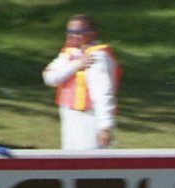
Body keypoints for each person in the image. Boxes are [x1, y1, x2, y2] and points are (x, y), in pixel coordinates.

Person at [42, 14, 121, 150]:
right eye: (70, 32)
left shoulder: (98, 56)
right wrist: (77, 64)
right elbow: (50, 77)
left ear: (92, 33)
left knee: (91, 162)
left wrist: (105, 127)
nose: (73, 36)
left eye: (79, 32)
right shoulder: (69, 53)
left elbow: (103, 94)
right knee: (69, 162)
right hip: (69, 115)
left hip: (89, 117)